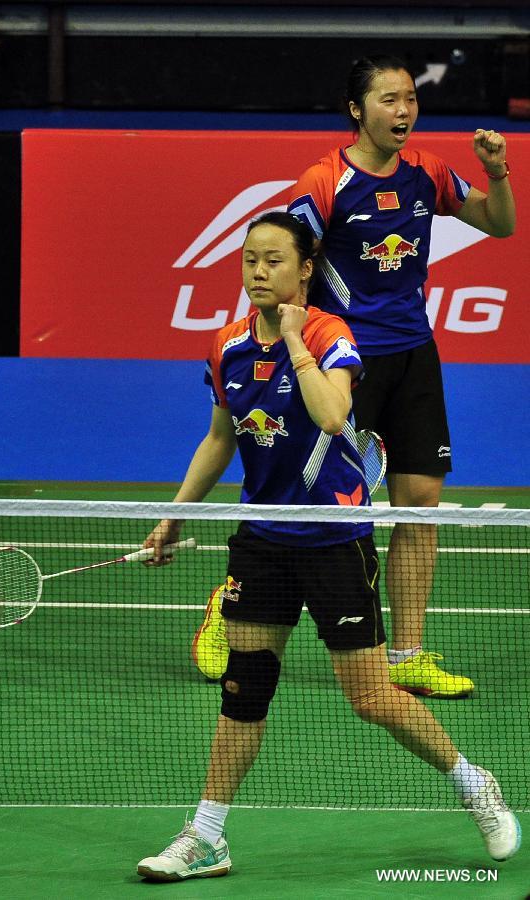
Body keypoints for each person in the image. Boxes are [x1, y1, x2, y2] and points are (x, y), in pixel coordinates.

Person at [136, 212, 520, 882]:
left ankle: (472, 782)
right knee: (243, 691)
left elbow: (333, 414)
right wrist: (174, 516)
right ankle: (207, 836)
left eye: (274, 260)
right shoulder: (225, 345)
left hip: (333, 540)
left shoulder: (328, 334)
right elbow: (221, 437)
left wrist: (295, 343)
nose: (259, 271)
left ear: (306, 268)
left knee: (370, 698)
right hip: (262, 540)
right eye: (250, 259)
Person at [286, 54, 516, 699]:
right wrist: (293, 343)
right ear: (357, 110)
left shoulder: (428, 173)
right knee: (317, 510)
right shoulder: (323, 182)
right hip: (346, 360)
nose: (404, 110)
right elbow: (287, 262)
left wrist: (497, 175)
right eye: (389, 99)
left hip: (415, 354)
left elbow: (500, 225)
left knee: (420, 504)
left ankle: (407, 653)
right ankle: (234, 600)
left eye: (410, 98)